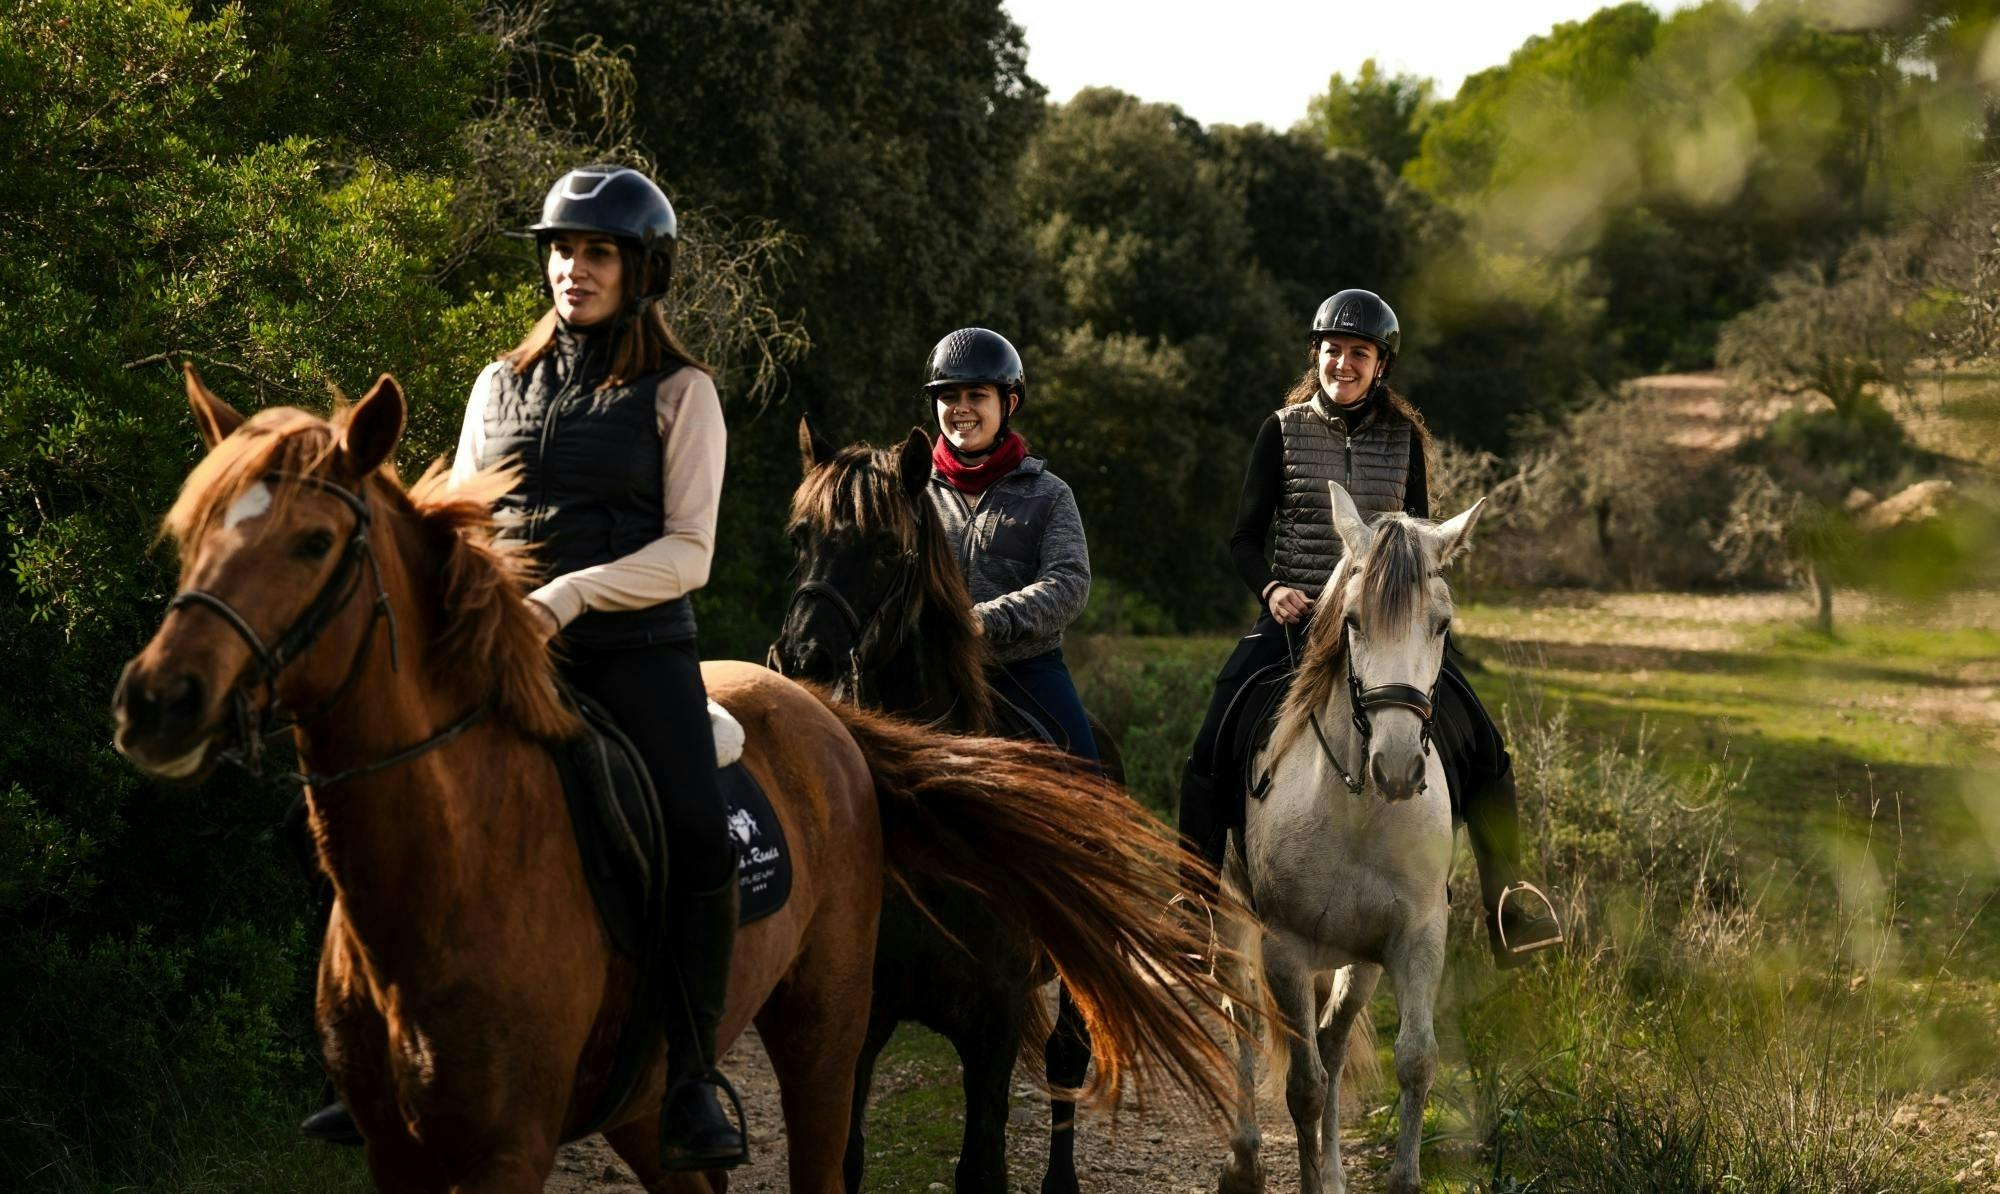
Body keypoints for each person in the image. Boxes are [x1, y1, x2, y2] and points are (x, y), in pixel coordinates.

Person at [1176, 289, 1562, 967]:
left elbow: (1415, 536)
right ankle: (1192, 904)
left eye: (1359, 353)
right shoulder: (1281, 430)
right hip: (1297, 620)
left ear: (1380, 364)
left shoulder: (1403, 437)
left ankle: (1509, 903)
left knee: (1486, 749)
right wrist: (1271, 589)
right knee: (1213, 741)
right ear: (1316, 355)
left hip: (1384, 625)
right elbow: (1243, 536)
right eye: (1333, 351)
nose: (1343, 363)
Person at [920, 328, 1098, 765]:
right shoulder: (912, 492)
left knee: (1090, 779)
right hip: (928, 669)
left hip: (1024, 670)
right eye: (948, 396)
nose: (961, 409)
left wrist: (984, 621)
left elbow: (1068, 584)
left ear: (1009, 403)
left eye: (976, 395)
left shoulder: (1049, 494)